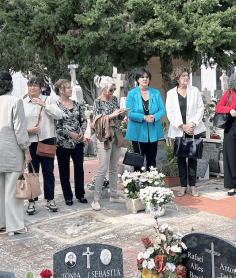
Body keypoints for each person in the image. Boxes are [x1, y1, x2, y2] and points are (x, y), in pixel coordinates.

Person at [0, 72, 31, 236]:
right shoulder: (16, 101)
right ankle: (15, 226)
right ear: (10, 84)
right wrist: (27, 151)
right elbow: (20, 130)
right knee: (12, 189)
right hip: (12, 149)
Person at [23, 76, 63, 215]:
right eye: (30, 85)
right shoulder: (23, 103)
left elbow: (59, 115)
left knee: (48, 171)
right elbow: (19, 123)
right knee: (32, 173)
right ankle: (32, 201)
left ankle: (50, 199)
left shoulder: (49, 100)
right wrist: (29, 131)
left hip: (47, 140)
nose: (32, 88)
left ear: (41, 88)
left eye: (35, 85)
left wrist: (44, 105)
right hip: (30, 142)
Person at [165, 66, 205, 197]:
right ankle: (183, 186)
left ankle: (192, 186)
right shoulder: (171, 93)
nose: (186, 78)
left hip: (194, 129)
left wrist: (192, 124)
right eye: (183, 76)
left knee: (193, 158)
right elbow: (170, 113)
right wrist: (182, 126)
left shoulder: (195, 91)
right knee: (180, 159)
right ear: (177, 78)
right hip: (178, 130)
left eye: (187, 75)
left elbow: (200, 109)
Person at [91, 75, 128, 211]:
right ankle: (96, 199)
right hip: (104, 137)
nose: (113, 92)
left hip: (116, 135)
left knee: (114, 167)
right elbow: (96, 121)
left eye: (114, 89)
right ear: (104, 90)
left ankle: (114, 194)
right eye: (111, 90)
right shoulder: (97, 102)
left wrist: (122, 114)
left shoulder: (115, 99)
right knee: (102, 168)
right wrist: (112, 115)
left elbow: (117, 116)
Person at [54, 79, 88, 206]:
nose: (70, 89)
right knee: (64, 170)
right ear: (61, 90)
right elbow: (55, 126)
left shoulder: (77, 104)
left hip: (78, 142)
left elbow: (83, 120)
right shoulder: (55, 106)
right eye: (67, 87)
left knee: (79, 168)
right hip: (63, 143)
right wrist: (70, 134)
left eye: (70, 87)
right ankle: (68, 196)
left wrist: (82, 132)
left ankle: (80, 194)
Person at [125, 68, 165, 171]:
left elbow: (162, 110)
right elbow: (129, 113)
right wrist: (143, 117)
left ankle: (152, 184)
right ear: (137, 79)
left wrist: (154, 117)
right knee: (138, 160)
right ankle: (138, 184)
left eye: (147, 77)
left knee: (152, 159)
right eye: (142, 77)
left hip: (152, 130)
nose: (144, 79)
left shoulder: (155, 93)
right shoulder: (131, 93)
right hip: (137, 131)